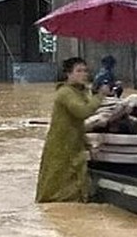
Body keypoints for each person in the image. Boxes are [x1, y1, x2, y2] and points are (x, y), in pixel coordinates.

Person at [35, 57, 103, 203]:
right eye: (78, 71)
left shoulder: (82, 92)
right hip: (60, 145)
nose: (83, 74)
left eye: (85, 71)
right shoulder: (65, 92)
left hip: (75, 142)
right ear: (68, 74)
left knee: (75, 181)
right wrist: (100, 96)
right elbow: (82, 112)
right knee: (56, 183)